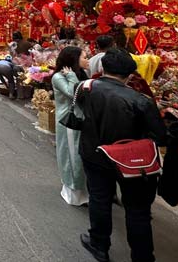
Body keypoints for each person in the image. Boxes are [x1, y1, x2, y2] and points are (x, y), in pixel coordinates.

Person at [78, 48, 167, 262]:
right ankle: (143, 257)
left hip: (95, 154)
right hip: (133, 161)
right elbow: (160, 137)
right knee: (137, 211)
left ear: (102, 68)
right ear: (130, 74)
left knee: (100, 199)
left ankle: (99, 244)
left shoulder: (85, 88)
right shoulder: (141, 100)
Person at [51, 46, 90, 206]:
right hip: (69, 122)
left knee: (80, 156)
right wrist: (73, 76)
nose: (88, 60)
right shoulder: (59, 77)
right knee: (71, 155)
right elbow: (72, 93)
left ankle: (83, 191)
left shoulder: (82, 74)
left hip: (81, 121)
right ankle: (73, 191)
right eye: (85, 57)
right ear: (74, 59)